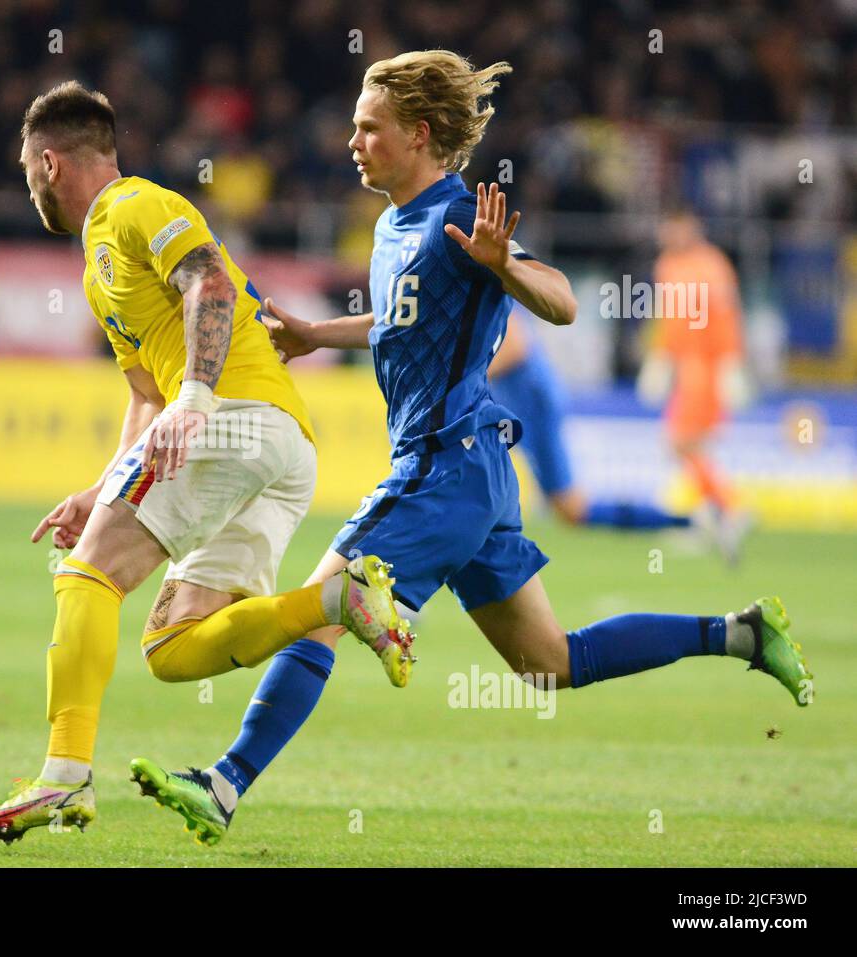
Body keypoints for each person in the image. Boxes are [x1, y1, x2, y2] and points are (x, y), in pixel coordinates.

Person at [129, 51, 812, 847]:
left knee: (322, 609)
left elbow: (555, 298)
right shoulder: (393, 224)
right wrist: (320, 334)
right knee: (548, 661)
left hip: (442, 465)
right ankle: (739, 632)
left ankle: (225, 781)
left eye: (368, 128)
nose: (351, 141)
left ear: (418, 135)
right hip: (475, 468)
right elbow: (403, 322)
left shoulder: (459, 219)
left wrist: (505, 268)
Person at [0, 82, 412, 845]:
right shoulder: (97, 267)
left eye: (25, 167)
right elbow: (145, 396)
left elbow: (207, 279)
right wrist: (98, 488)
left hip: (229, 415)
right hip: (279, 443)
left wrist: (196, 398)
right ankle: (336, 603)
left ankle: (63, 781)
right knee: (172, 647)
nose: (27, 180)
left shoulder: (135, 204)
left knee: (88, 575)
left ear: (47, 161)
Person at [489, 305, 693, 532]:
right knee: (564, 506)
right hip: (517, 402)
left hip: (532, 402)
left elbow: (516, 345)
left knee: (570, 506)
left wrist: (463, 379)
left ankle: (684, 520)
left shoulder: (484, 282)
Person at [639, 208, 752, 563]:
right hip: (685, 367)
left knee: (681, 443)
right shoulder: (668, 266)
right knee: (685, 446)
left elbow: (725, 316)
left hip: (706, 368)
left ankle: (728, 509)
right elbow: (667, 319)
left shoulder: (711, 266)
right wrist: (659, 357)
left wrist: (730, 362)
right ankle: (713, 517)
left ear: (691, 227)